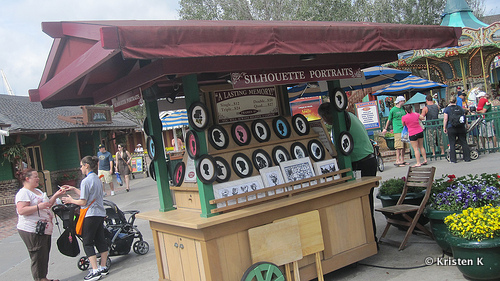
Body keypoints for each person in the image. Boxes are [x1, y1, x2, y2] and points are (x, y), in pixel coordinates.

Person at [318, 102, 378, 244]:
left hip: (362, 162)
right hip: (367, 159)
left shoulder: (341, 122)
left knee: (364, 203)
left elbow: (342, 149)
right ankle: (369, 238)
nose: (325, 122)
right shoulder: (347, 115)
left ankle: (370, 239)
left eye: (324, 119)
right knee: (366, 202)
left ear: (327, 116)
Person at [61, 156, 109, 281]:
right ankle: (103, 267)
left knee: (87, 242)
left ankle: (94, 270)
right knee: (100, 240)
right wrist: (74, 189)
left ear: (86, 165)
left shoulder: (86, 181)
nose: (80, 168)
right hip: (99, 213)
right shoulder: (97, 179)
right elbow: (89, 194)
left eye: (81, 165)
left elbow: (83, 201)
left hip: (90, 214)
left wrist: (70, 200)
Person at [15, 168, 65, 281]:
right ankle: (39, 278)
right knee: (37, 254)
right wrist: (38, 207)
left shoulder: (37, 191)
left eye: (38, 176)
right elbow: (21, 210)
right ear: (27, 179)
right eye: (35, 177)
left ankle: (43, 277)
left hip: (44, 229)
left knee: (44, 253)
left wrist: (56, 195)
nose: (38, 178)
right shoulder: (23, 193)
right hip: (32, 229)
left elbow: (47, 205)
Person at [443, 96, 471, 163]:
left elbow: (445, 119)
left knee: (452, 143)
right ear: (456, 101)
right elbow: (464, 117)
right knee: (464, 142)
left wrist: (444, 127)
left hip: (451, 127)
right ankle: (467, 157)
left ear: (449, 101)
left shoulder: (447, 109)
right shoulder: (460, 108)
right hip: (461, 127)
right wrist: (467, 125)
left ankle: (453, 159)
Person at [382, 96, 407, 167]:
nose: (404, 102)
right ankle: (397, 160)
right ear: (400, 101)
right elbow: (389, 120)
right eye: (403, 101)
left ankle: (402, 159)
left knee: (404, 145)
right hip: (397, 129)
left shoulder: (403, 109)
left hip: (404, 128)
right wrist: (385, 128)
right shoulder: (393, 110)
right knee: (398, 146)